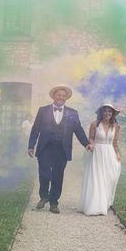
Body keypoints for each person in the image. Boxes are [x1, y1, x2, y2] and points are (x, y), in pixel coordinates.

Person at [28, 85, 91, 214]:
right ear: (54, 96)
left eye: (63, 95)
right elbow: (35, 129)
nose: (61, 97)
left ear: (66, 98)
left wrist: (86, 144)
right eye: (59, 95)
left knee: (58, 176)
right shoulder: (43, 110)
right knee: (44, 173)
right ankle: (44, 196)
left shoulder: (73, 113)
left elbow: (78, 130)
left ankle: (54, 202)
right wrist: (31, 146)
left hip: (62, 149)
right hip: (45, 147)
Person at [78, 104, 121, 215]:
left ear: (112, 114)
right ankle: (95, 205)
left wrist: (118, 154)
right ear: (101, 113)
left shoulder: (115, 126)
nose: (107, 113)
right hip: (97, 154)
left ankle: (105, 202)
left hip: (110, 154)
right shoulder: (95, 124)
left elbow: (115, 143)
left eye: (110, 112)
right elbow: (91, 138)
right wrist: (91, 144)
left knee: (109, 178)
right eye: (105, 111)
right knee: (97, 178)